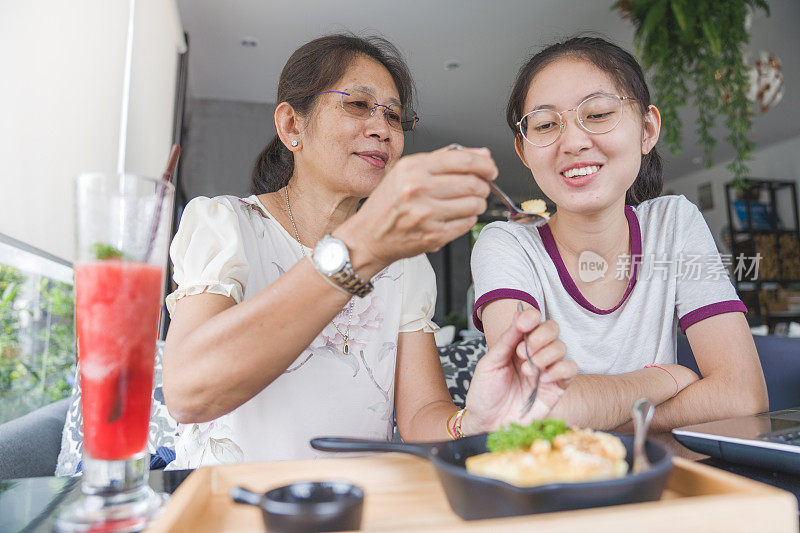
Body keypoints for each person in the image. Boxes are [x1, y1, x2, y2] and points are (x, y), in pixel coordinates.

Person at [162, 34, 577, 468]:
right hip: (230, 507)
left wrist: (473, 423)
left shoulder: (406, 264)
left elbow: (420, 418)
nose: (381, 129)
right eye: (357, 105)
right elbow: (189, 393)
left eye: (394, 116)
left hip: (357, 504)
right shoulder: (226, 224)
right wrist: (363, 247)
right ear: (291, 126)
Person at [472, 36, 767, 433]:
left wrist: (597, 421)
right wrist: (665, 378)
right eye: (544, 125)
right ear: (525, 153)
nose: (573, 142)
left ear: (647, 129)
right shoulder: (507, 244)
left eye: (597, 114)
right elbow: (532, 405)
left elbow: (743, 394)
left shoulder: (674, 223)